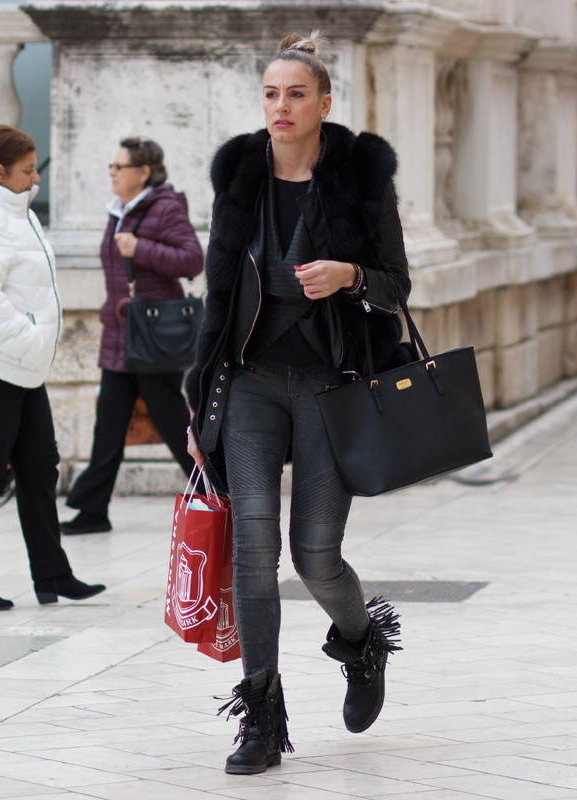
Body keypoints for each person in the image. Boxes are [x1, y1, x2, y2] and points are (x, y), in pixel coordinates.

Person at [185, 32, 407, 774]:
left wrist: (351, 275)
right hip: (248, 384)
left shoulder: (360, 178)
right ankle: (260, 717)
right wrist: (198, 409)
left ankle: (361, 642)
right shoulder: (240, 178)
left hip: (329, 387)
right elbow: (218, 299)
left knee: (315, 555)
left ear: (325, 103)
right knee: (254, 549)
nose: (282, 107)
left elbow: (396, 285)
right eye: (271, 94)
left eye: (297, 94)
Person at [0, 124, 106, 611]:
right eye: (28, 171)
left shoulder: (14, 209)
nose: (35, 179)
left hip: (18, 365)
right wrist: (30, 340)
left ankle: (52, 573)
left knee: (39, 468)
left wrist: (29, 349)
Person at [60, 138, 204, 535]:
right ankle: (92, 510)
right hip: (121, 335)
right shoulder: (119, 212)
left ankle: (216, 493)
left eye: (119, 166)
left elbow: (192, 259)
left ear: (142, 172)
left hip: (153, 336)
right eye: (111, 165)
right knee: (108, 424)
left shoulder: (164, 207)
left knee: (172, 421)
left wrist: (141, 248)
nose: (111, 172)